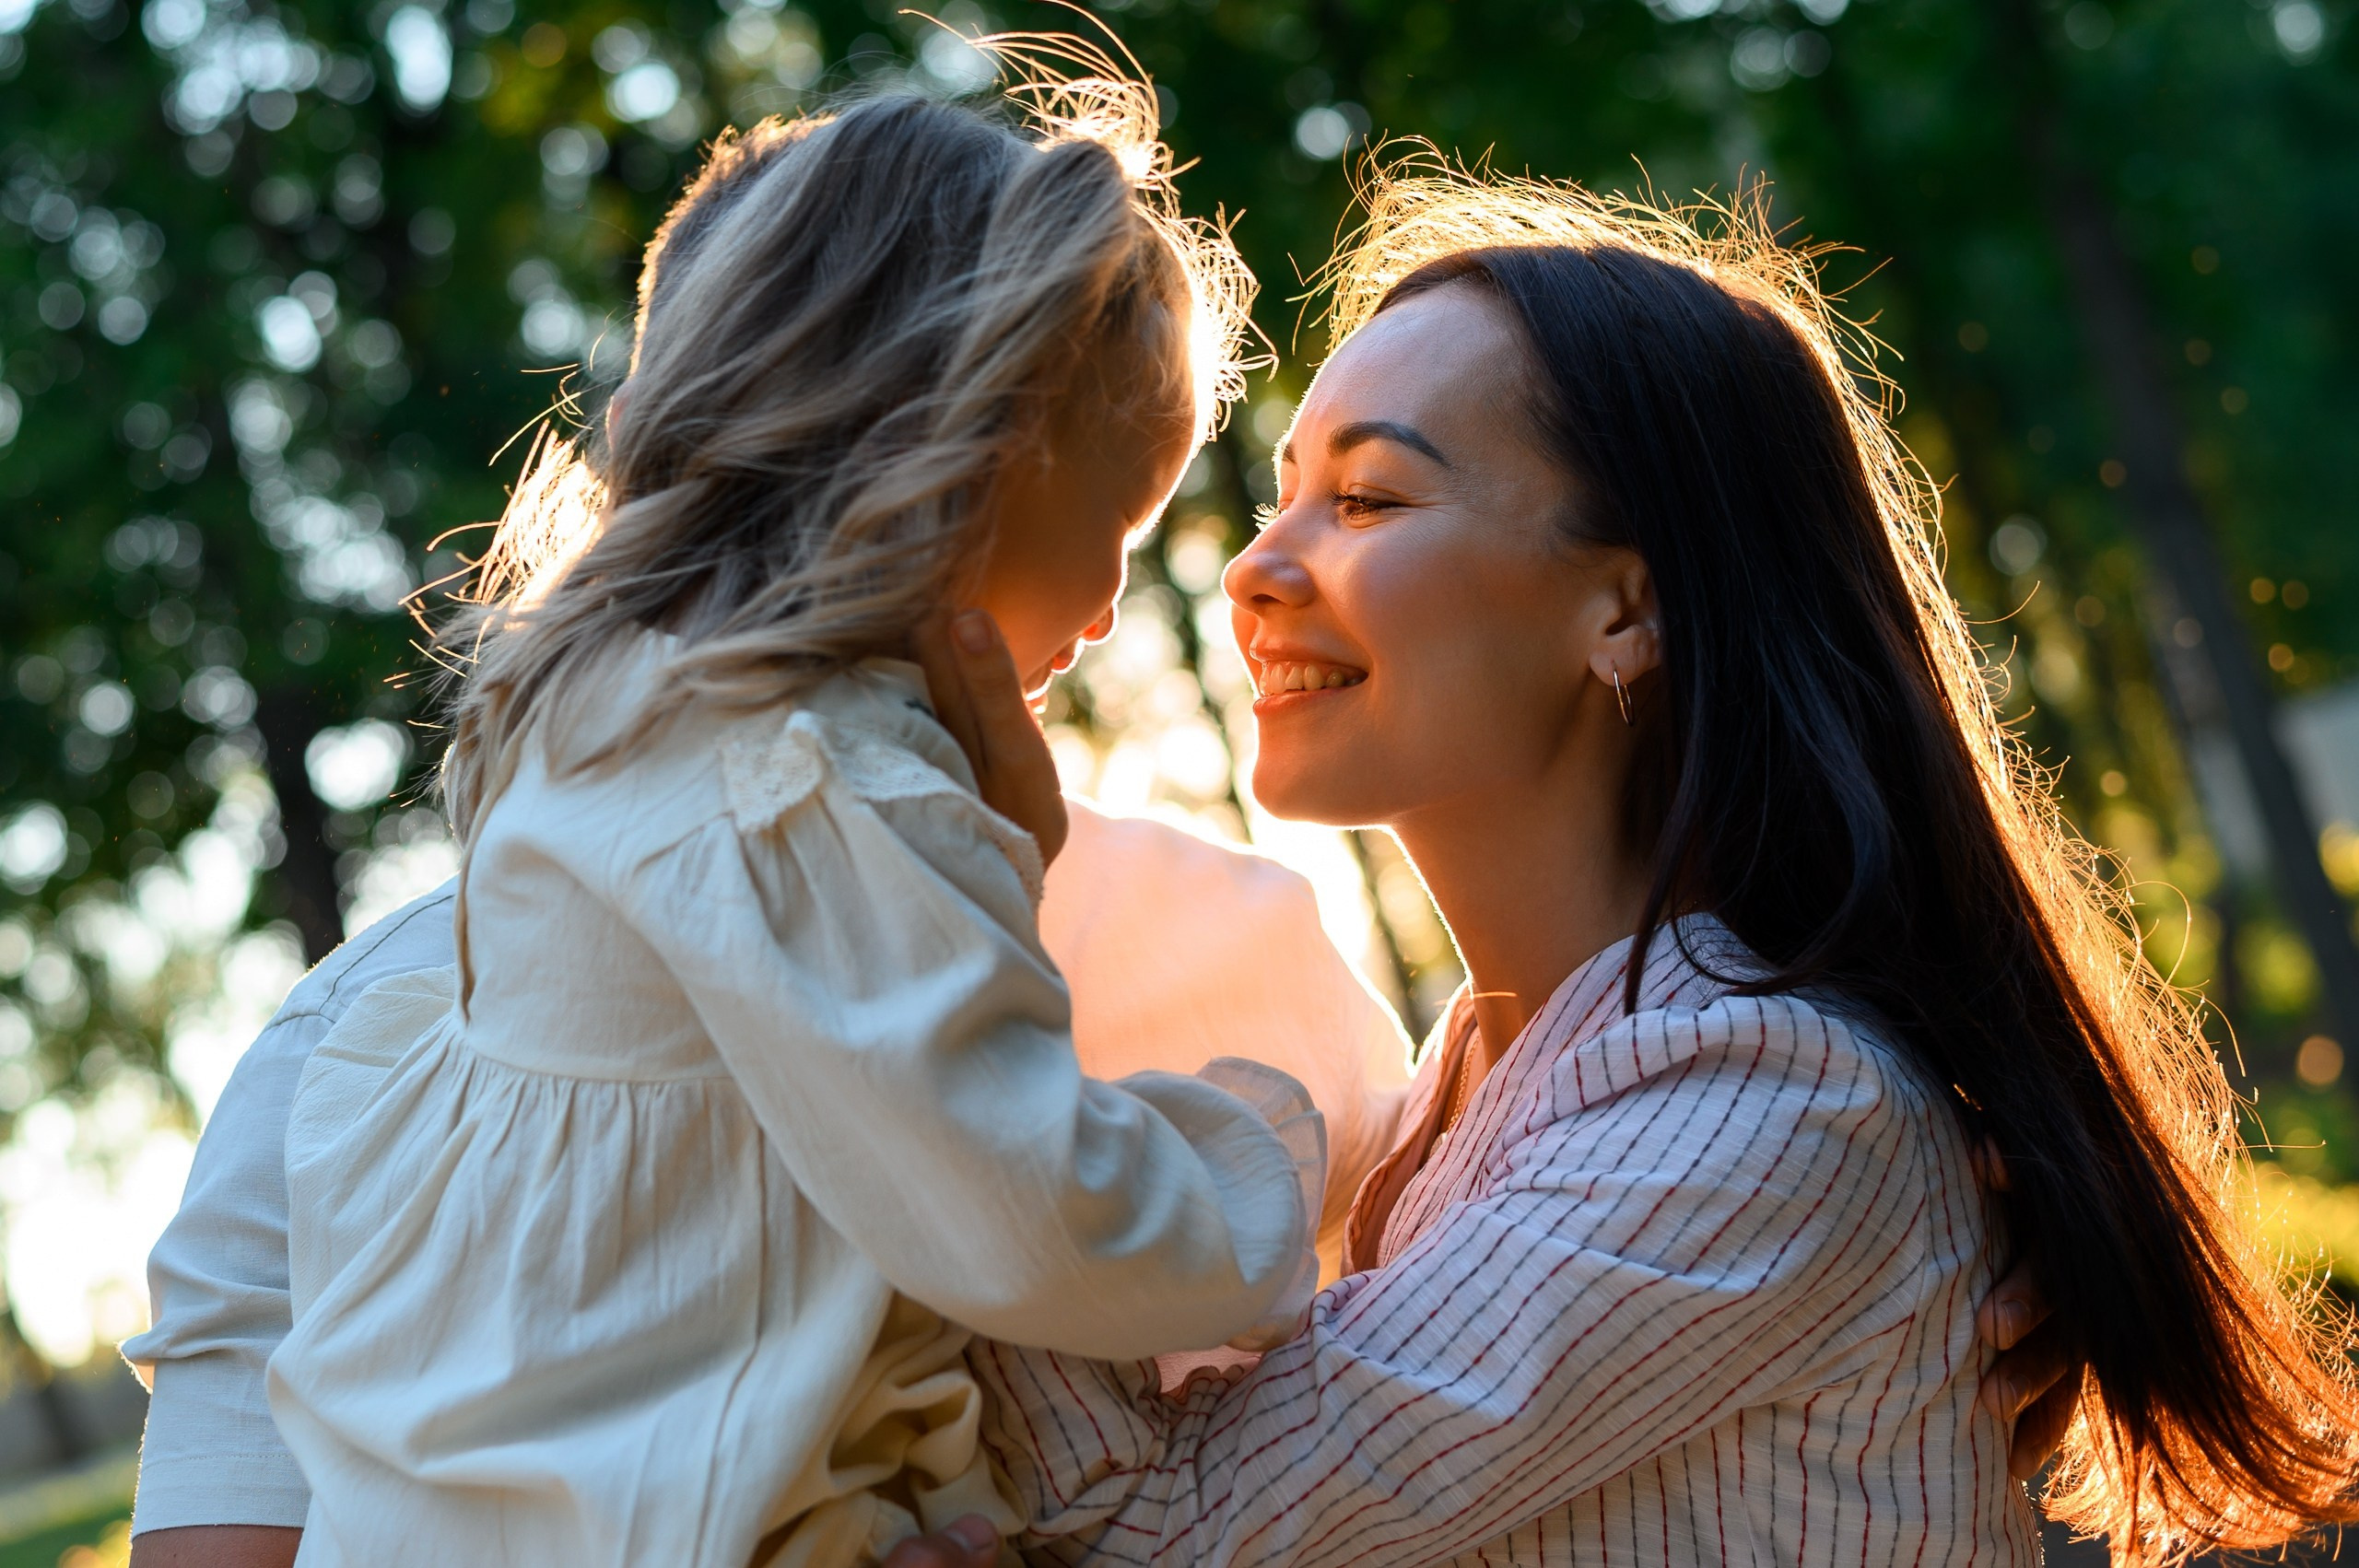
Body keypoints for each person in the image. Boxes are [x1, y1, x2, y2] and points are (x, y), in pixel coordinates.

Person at [953, 163, 2359, 1565]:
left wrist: (925, 967)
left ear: (1624, 609)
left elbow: (1156, 1530)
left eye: (1369, 499)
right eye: (1285, 495)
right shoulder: (1454, 1102)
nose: (1258, 564)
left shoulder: (1758, 1103)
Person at [235, 55, 1344, 1568]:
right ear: (989, 445)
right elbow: (1030, 1214)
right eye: (1122, 517)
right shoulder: (812, 784)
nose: (1113, 596)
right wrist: (1266, 1150)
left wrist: (997, 866)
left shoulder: (624, 716)